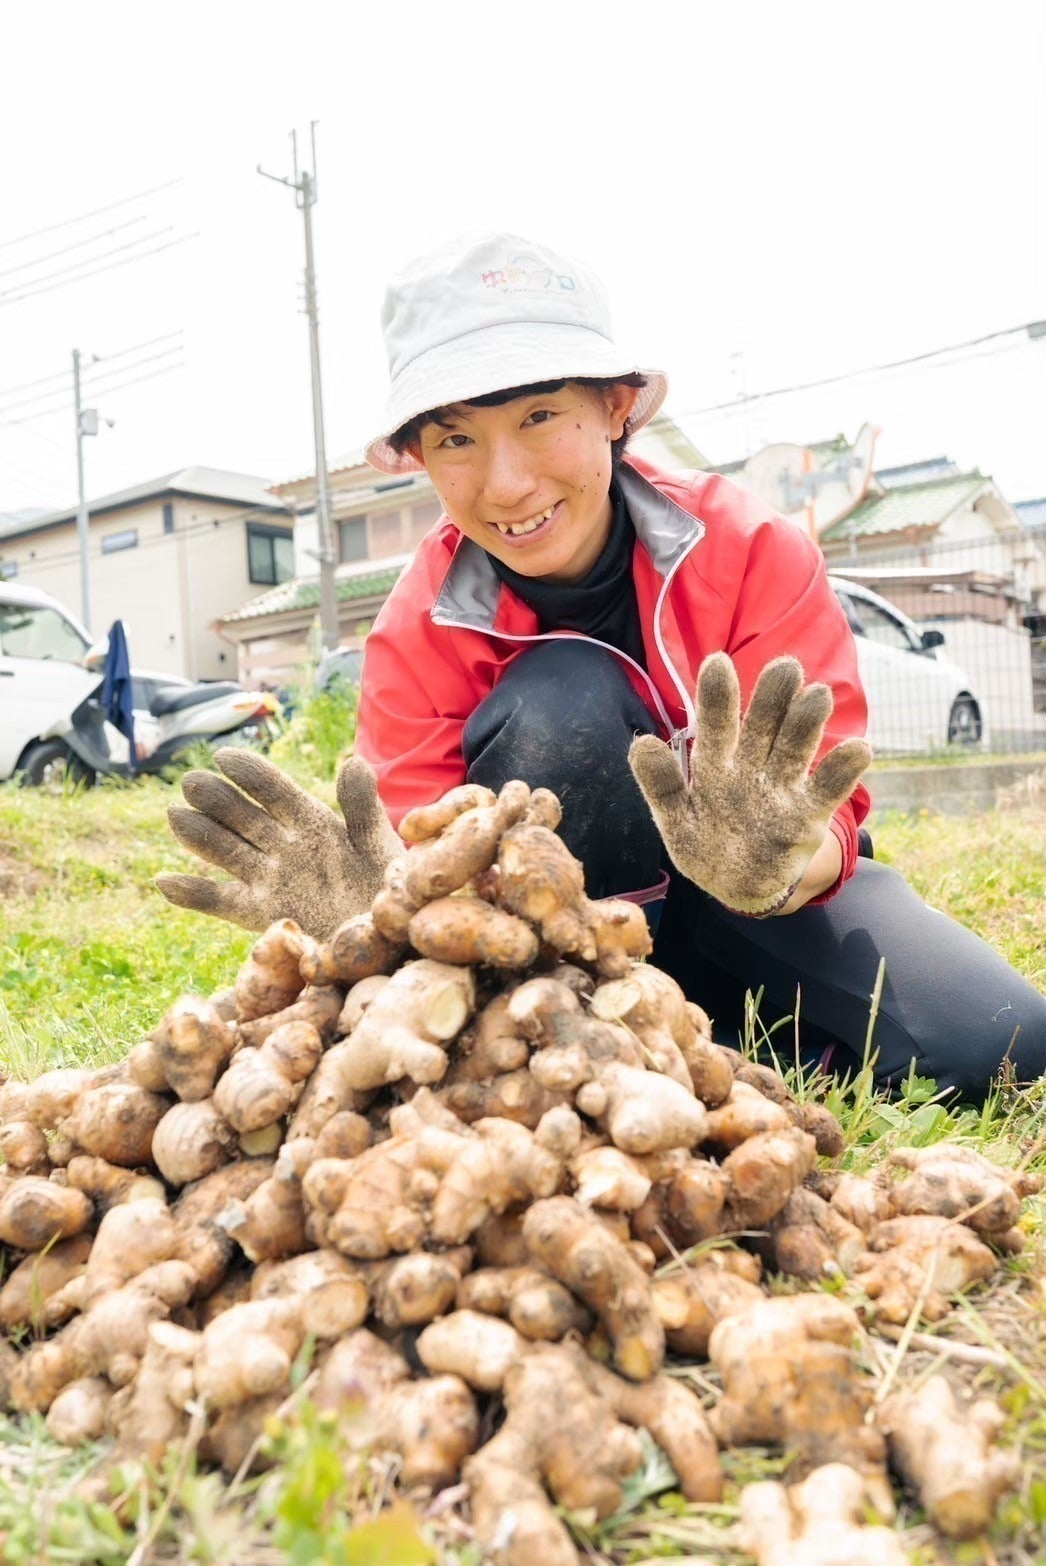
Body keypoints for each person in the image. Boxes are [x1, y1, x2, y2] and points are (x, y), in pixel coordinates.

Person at [158, 233, 1046, 1103]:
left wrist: (769, 861)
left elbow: (824, 818)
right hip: (544, 952)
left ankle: (700, 1038)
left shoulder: (750, 550)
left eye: (540, 416)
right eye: (456, 439)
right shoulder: (416, 629)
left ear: (617, 408)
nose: (505, 483)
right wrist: (374, 912)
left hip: (759, 907)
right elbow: (419, 867)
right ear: (421, 455)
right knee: (566, 703)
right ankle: (616, 1042)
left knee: (1004, 1043)